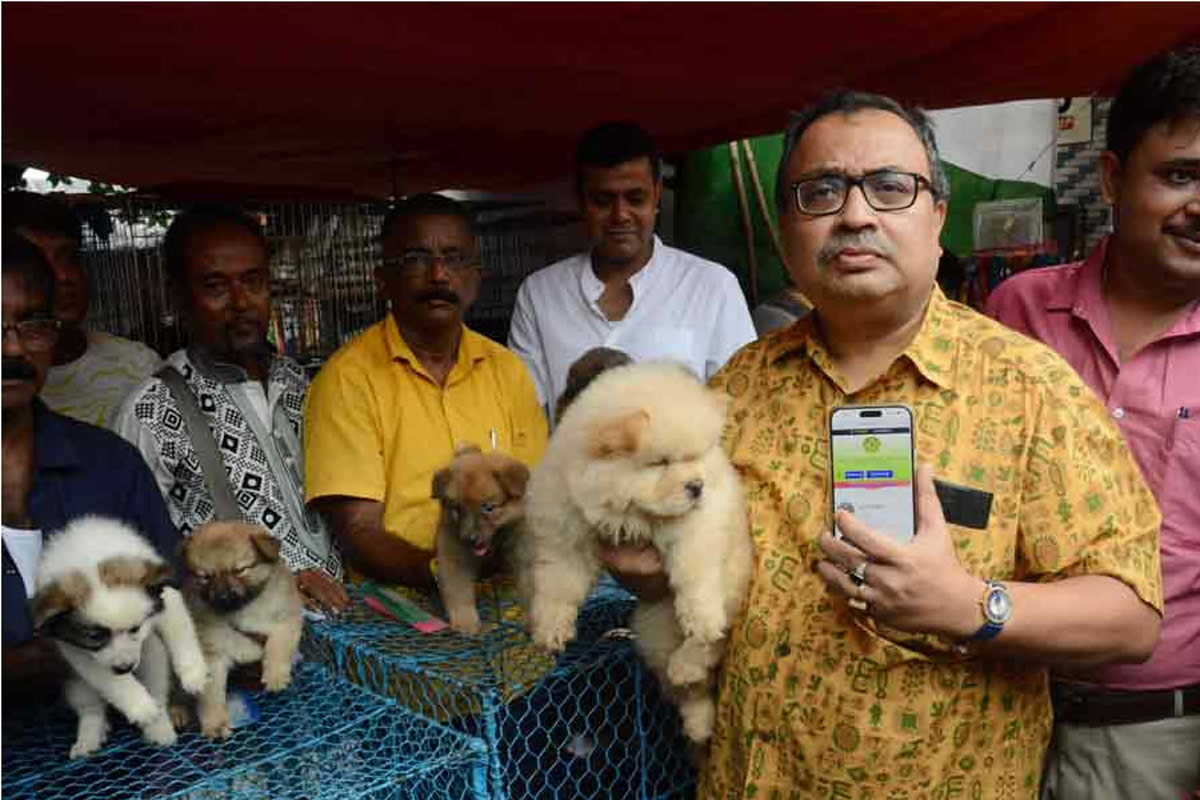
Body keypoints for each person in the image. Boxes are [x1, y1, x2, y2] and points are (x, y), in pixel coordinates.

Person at [607, 90, 1164, 799]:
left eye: (891, 187)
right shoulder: (736, 389)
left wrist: (969, 605)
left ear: (937, 216)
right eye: (820, 191)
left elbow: (1130, 616)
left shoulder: (1029, 391)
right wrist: (654, 570)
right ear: (785, 230)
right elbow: (700, 565)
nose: (855, 214)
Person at [986, 45, 1200, 798]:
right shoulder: (1016, 312)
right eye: (1180, 175)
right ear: (1112, 177)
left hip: (1157, 743)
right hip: (991, 706)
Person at [304, 193, 547, 589]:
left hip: (511, 603)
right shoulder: (347, 379)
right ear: (382, 278)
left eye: (454, 259)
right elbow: (358, 530)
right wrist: (442, 570)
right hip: (403, 621)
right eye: (416, 259)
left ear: (475, 278)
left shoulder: (507, 370)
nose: (438, 275)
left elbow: (535, 496)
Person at [114, 206, 346, 616]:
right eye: (215, 286)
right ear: (178, 296)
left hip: (348, 635)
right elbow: (131, 562)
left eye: (253, 282)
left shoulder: (299, 383)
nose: (241, 302)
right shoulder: (150, 410)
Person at [2, 232, 179, 694]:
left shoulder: (109, 464)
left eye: (32, 324)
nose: (14, 349)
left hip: (124, 752)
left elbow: (170, 601)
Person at [507, 122, 757, 421]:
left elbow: (744, 414)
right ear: (581, 202)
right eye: (603, 200)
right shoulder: (539, 295)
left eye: (635, 198)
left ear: (657, 197)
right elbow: (523, 421)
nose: (620, 215)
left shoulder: (713, 287)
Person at [4, 192, 161, 428]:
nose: (63, 276)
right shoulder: (10, 387)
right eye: (40, 263)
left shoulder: (139, 366)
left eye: (68, 257)